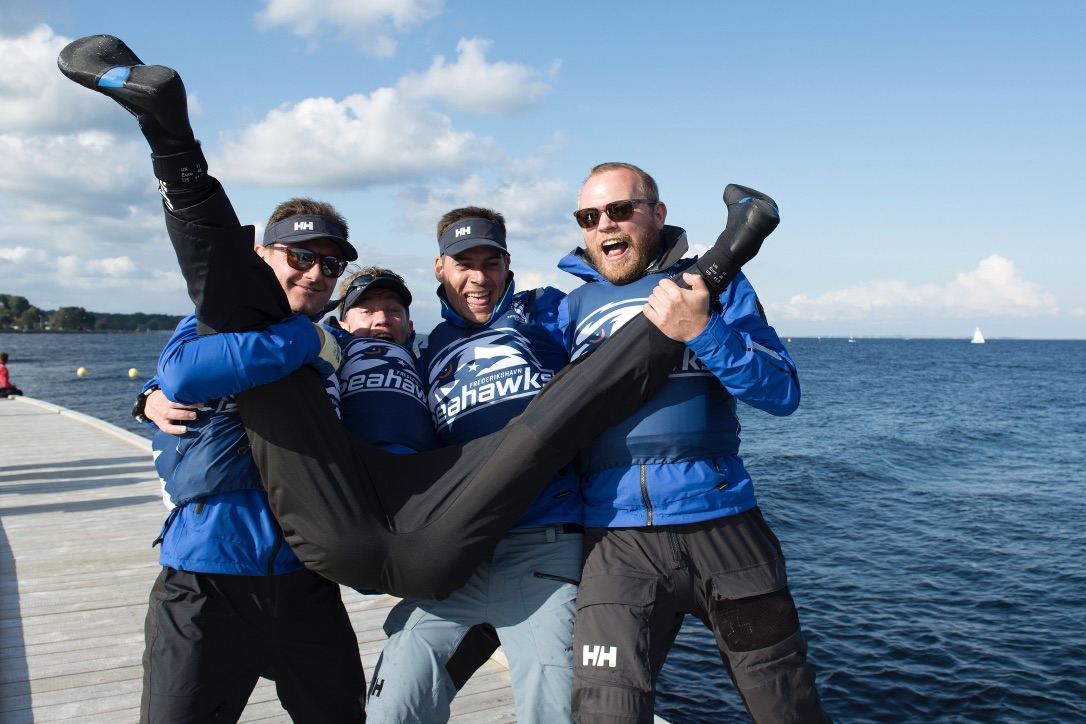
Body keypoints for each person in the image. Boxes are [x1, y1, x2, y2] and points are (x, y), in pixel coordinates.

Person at [56, 35, 772, 602]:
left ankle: (722, 262)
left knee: (560, 410)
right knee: (244, 323)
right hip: (334, 510)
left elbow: (577, 361)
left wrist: (692, 292)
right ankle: (172, 143)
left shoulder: (442, 348)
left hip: (441, 517)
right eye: (360, 303)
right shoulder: (317, 341)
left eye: (391, 309)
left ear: (413, 315)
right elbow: (188, 368)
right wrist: (156, 394)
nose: (376, 317)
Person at [559, 162, 830, 723]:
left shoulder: (714, 287)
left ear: (656, 214)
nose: (604, 225)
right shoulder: (568, 310)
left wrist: (703, 330)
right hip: (616, 542)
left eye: (619, 210)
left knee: (787, 706)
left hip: (725, 526)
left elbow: (782, 392)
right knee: (606, 713)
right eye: (589, 216)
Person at [125, 193, 368, 723]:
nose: (316, 274)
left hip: (308, 583)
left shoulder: (341, 347)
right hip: (206, 581)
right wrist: (147, 397)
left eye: (331, 264)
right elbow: (185, 373)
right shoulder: (219, 323)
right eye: (300, 257)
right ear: (262, 257)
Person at [367, 208, 580, 723]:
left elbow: (617, 332)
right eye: (464, 263)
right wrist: (153, 393)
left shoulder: (548, 313)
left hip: (542, 548)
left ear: (508, 265)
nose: (478, 277)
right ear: (440, 267)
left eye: (491, 262)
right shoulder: (427, 350)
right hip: (456, 555)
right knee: (392, 706)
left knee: (557, 710)